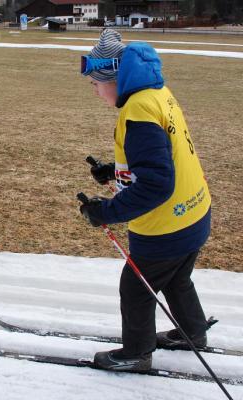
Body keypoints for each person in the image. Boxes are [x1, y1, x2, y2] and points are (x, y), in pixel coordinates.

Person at [79, 29, 212, 372]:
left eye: (96, 82)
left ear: (115, 78)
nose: (93, 90)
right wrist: (115, 172)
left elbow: (155, 185)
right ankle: (192, 333)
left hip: (167, 226)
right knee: (176, 278)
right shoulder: (156, 93)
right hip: (193, 213)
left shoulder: (137, 113)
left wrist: (106, 212)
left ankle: (137, 353)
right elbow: (160, 157)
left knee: (136, 288)